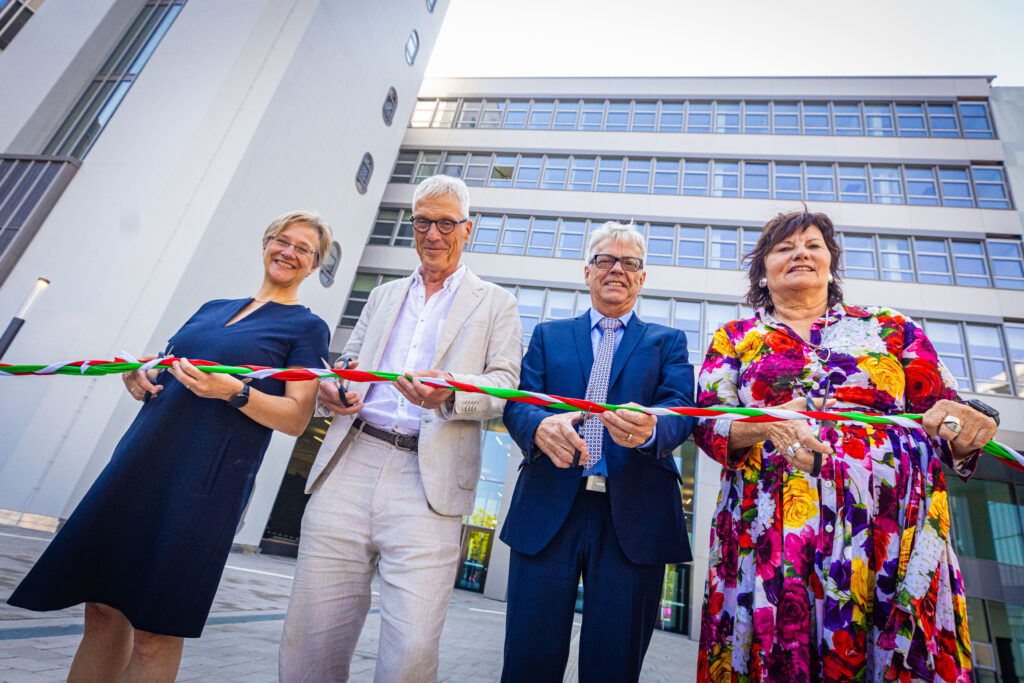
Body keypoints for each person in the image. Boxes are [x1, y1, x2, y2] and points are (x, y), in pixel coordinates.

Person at [7, 210, 333, 682]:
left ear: (314, 265)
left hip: (206, 482)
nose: (289, 252)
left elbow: (297, 417)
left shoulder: (307, 327)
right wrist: (138, 373)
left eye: (303, 248)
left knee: (156, 629)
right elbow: (162, 365)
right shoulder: (211, 307)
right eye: (283, 240)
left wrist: (234, 392)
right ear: (265, 245)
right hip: (142, 459)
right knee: (101, 607)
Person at [694, 208, 999, 682]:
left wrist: (966, 427)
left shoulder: (892, 327)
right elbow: (710, 425)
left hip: (889, 527)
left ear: (830, 262)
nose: (800, 253)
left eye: (813, 245)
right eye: (784, 248)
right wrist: (767, 425)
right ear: (762, 271)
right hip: (772, 528)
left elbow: (947, 419)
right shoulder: (736, 337)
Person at [278, 175, 523, 683]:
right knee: (310, 639)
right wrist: (333, 385)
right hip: (350, 461)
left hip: (428, 482)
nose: (433, 234)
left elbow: (504, 385)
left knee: (411, 651)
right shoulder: (384, 295)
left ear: (467, 229)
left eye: (446, 223)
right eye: (423, 222)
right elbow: (349, 361)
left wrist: (452, 391)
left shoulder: (496, 302)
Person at [500, 221, 696, 683]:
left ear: (642, 278)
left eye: (630, 263)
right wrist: (539, 426)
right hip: (549, 510)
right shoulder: (549, 335)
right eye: (606, 260)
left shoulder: (668, 342)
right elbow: (520, 403)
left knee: (613, 666)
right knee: (528, 662)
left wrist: (651, 429)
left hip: (634, 518)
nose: (617, 270)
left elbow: (681, 412)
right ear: (587, 271)